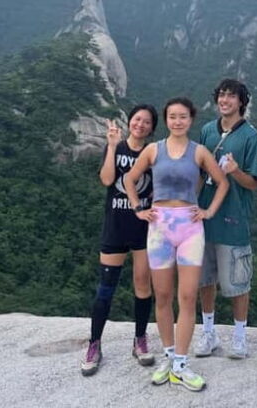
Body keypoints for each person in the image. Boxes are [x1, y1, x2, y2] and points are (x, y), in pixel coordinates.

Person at [125, 97, 229, 392]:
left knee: (186, 297)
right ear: (167, 119)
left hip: (190, 227)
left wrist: (208, 211)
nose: (177, 121)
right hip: (159, 227)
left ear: (190, 119)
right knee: (162, 296)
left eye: (183, 117)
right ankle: (169, 358)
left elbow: (222, 182)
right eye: (172, 117)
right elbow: (130, 179)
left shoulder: (199, 152)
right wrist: (138, 208)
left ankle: (181, 364)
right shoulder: (153, 150)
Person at [81, 105, 159, 377]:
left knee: (142, 285)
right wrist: (112, 146)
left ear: (151, 128)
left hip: (142, 229)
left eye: (146, 122)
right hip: (115, 227)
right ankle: (94, 344)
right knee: (106, 288)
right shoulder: (118, 148)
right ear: (130, 122)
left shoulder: (152, 153)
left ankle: (139, 339)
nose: (140, 124)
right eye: (137, 119)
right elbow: (106, 180)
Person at [193, 79, 257, 360]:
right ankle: (209, 333)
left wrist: (234, 171)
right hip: (204, 218)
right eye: (221, 95)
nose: (225, 100)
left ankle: (239, 338)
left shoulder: (251, 137)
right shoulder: (208, 130)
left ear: (241, 102)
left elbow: (255, 183)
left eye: (231, 97)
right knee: (205, 280)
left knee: (237, 283)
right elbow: (200, 173)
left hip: (234, 220)